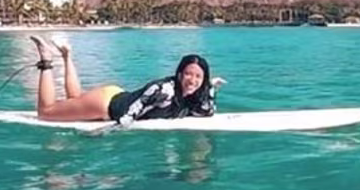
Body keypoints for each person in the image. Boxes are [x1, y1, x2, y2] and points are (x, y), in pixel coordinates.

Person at [28, 36, 225, 131]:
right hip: (105, 105)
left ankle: (67, 55)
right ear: (180, 74)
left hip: (116, 95)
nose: (193, 80)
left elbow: (206, 112)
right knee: (46, 113)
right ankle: (46, 60)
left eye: (198, 77)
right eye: (189, 74)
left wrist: (210, 88)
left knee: (75, 99)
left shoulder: (191, 95)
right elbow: (133, 110)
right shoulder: (164, 89)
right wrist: (108, 131)